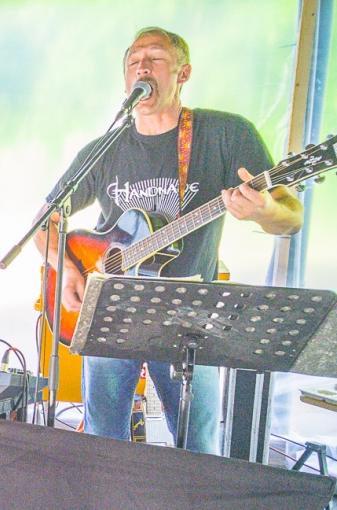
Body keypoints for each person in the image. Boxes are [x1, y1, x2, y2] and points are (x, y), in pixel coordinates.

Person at [34, 27, 303, 454]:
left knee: (197, 446)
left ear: (183, 73)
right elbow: (46, 222)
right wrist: (66, 269)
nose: (143, 67)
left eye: (156, 58)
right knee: (103, 442)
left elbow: (291, 218)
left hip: (188, 323)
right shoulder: (103, 150)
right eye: (134, 60)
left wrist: (265, 211)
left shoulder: (225, 134)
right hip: (111, 313)